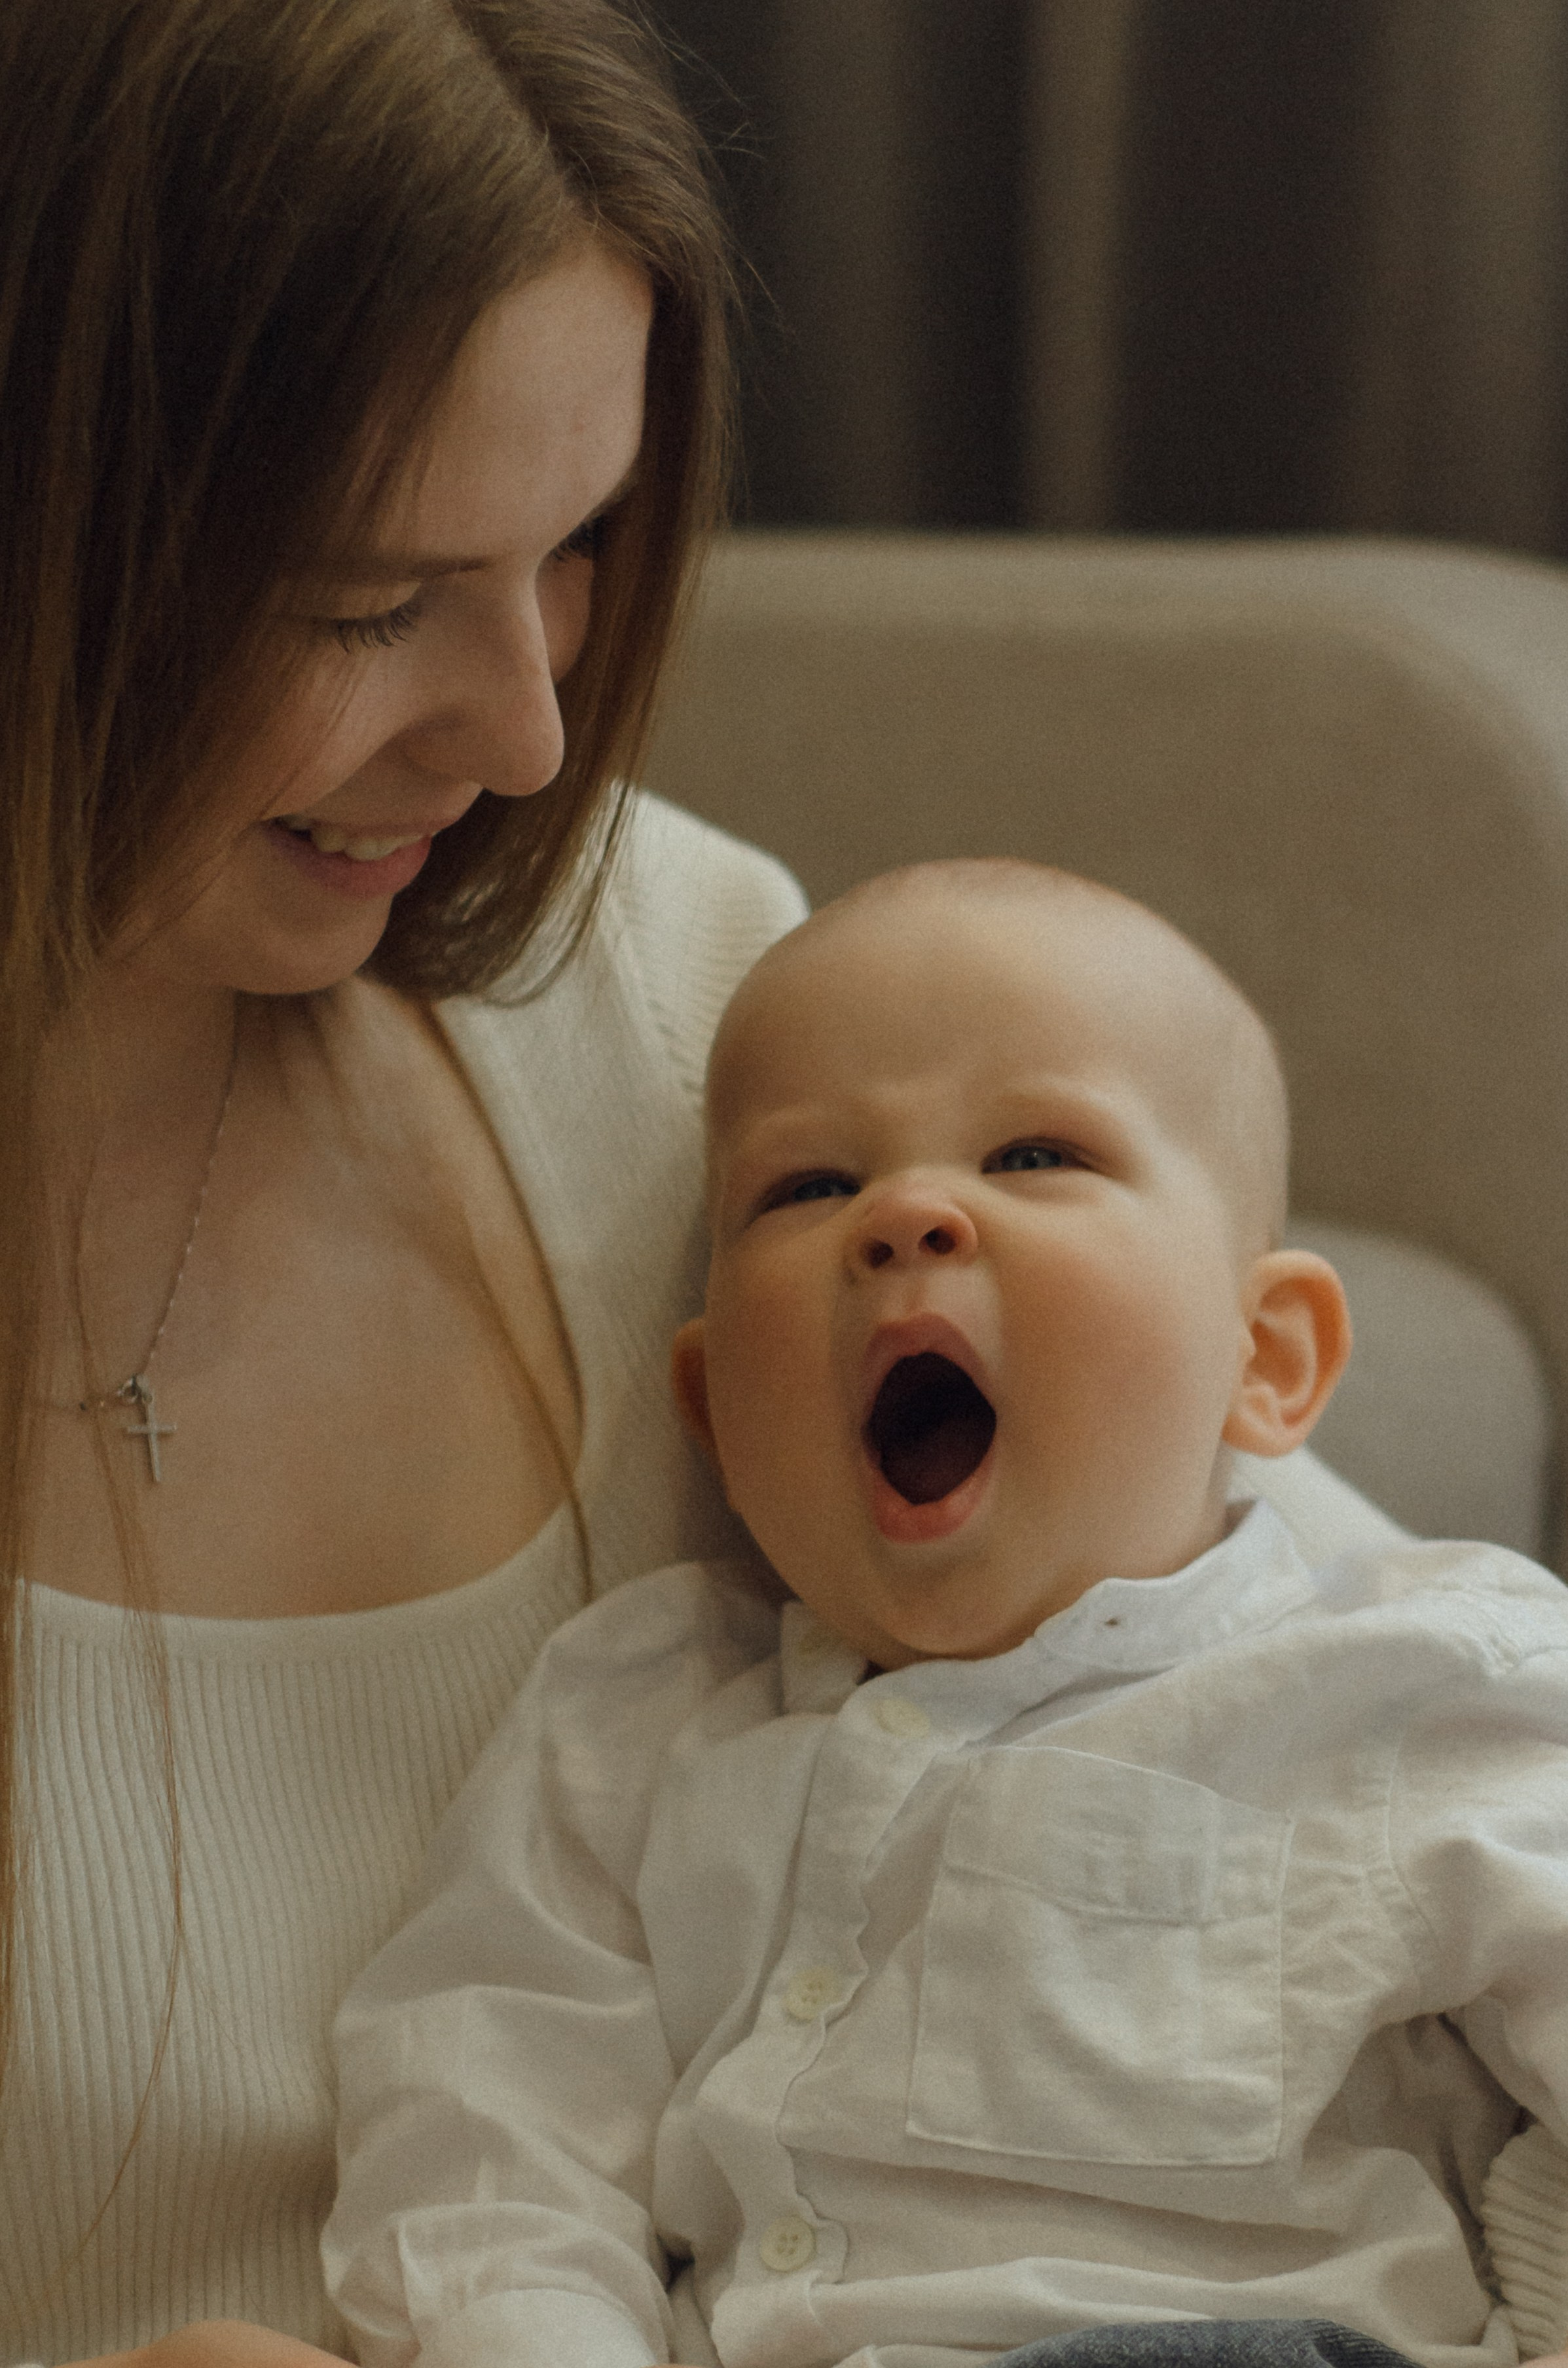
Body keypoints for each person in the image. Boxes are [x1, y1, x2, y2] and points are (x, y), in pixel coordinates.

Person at [0, 5, 809, 2366]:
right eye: (369, 603)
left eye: (576, 549)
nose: (528, 733)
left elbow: (1326, 1720)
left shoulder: (695, 994)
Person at [325, 864, 1568, 2368]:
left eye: (1034, 1153)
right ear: (714, 1409)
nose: (905, 1213)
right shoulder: (636, 1721)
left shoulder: (1421, 1678)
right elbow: (484, 2127)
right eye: (807, 1186)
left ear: (1265, 1356)